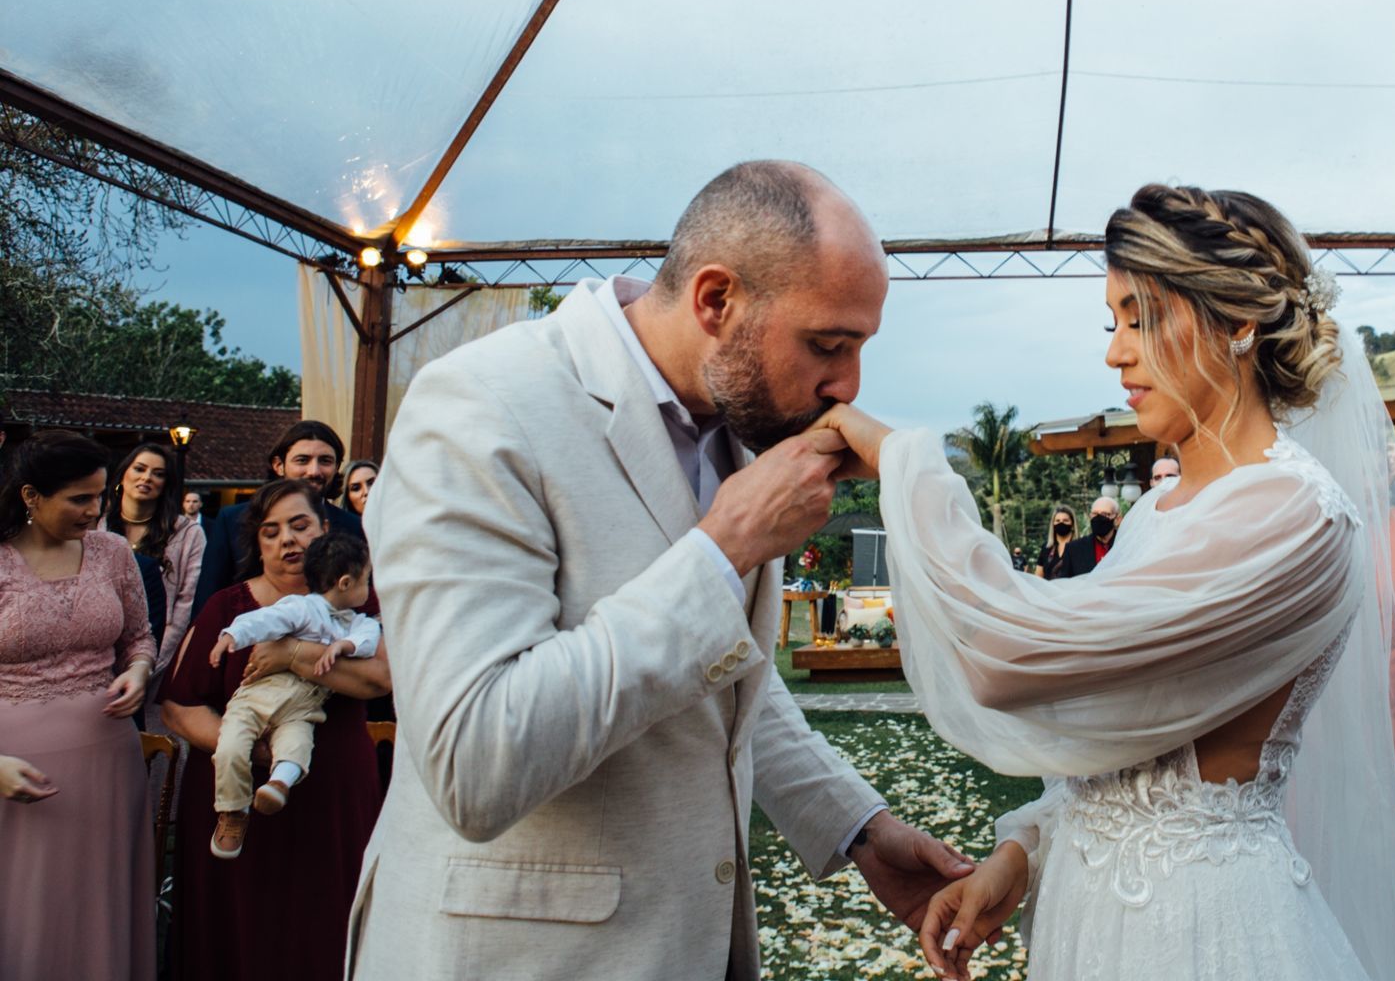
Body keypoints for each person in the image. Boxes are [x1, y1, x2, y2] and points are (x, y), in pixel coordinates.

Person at [820, 183, 1395, 981]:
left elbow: (1011, 653)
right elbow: (1124, 739)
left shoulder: (1295, 515)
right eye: (1114, 322)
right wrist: (1024, 849)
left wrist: (906, 463)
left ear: (1236, 324)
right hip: (1095, 917)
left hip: (1199, 932)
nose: (1115, 351)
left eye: (1142, 317)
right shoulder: (1158, 509)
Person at [349, 162, 971, 981]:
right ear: (717, 300)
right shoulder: (480, 406)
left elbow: (723, 675)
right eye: (827, 344)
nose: (848, 385)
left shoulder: (741, 430)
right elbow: (476, 761)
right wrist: (723, 551)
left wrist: (858, 828)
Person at [162, 478, 390, 981]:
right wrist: (252, 751)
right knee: (241, 931)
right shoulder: (228, 607)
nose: (287, 539)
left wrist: (292, 653)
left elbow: (379, 678)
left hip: (329, 789)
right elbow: (179, 704)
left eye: (300, 525)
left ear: (326, 531)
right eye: (271, 531)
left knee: (322, 925)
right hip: (236, 791)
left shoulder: (360, 604)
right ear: (258, 544)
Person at [0, 430, 156, 981]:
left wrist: (138, 671)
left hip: (110, 766)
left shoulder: (114, 552)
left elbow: (140, 636)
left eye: (100, 496)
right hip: (16, 774)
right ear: (30, 496)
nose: (95, 511)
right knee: (26, 911)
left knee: (99, 907)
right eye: (79, 499)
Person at [205, 530, 381, 858]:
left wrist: (345, 645)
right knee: (230, 746)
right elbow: (265, 620)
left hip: (303, 706)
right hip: (259, 695)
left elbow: (369, 640)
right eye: (366, 579)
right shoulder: (301, 608)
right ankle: (233, 810)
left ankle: (278, 785)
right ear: (345, 583)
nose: (369, 587)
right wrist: (231, 636)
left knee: (297, 746)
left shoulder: (358, 623)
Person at [193, 419, 363, 619]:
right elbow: (207, 602)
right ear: (279, 465)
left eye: (325, 461)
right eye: (302, 460)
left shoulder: (355, 527)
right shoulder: (234, 520)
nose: (314, 471)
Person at [101, 442, 205, 728]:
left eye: (158, 474)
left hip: (158, 656)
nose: (147, 478)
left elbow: (186, 602)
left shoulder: (186, 533)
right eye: (140, 469)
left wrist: (147, 665)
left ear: (166, 485)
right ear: (123, 475)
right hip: (97, 653)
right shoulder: (95, 524)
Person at [1056, 495, 1119, 577]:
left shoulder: (1126, 546)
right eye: (1095, 514)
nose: (1098, 518)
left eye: (1104, 514)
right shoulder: (1073, 548)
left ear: (1117, 519)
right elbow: (1065, 582)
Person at [1039, 507, 1076, 580]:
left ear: (1072, 523)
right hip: (1049, 590)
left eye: (1065, 520)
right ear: (1053, 524)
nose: (1061, 523)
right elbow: (1038, 576)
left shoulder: (1081, 547)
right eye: (1057, 521)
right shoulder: (1046, 548)